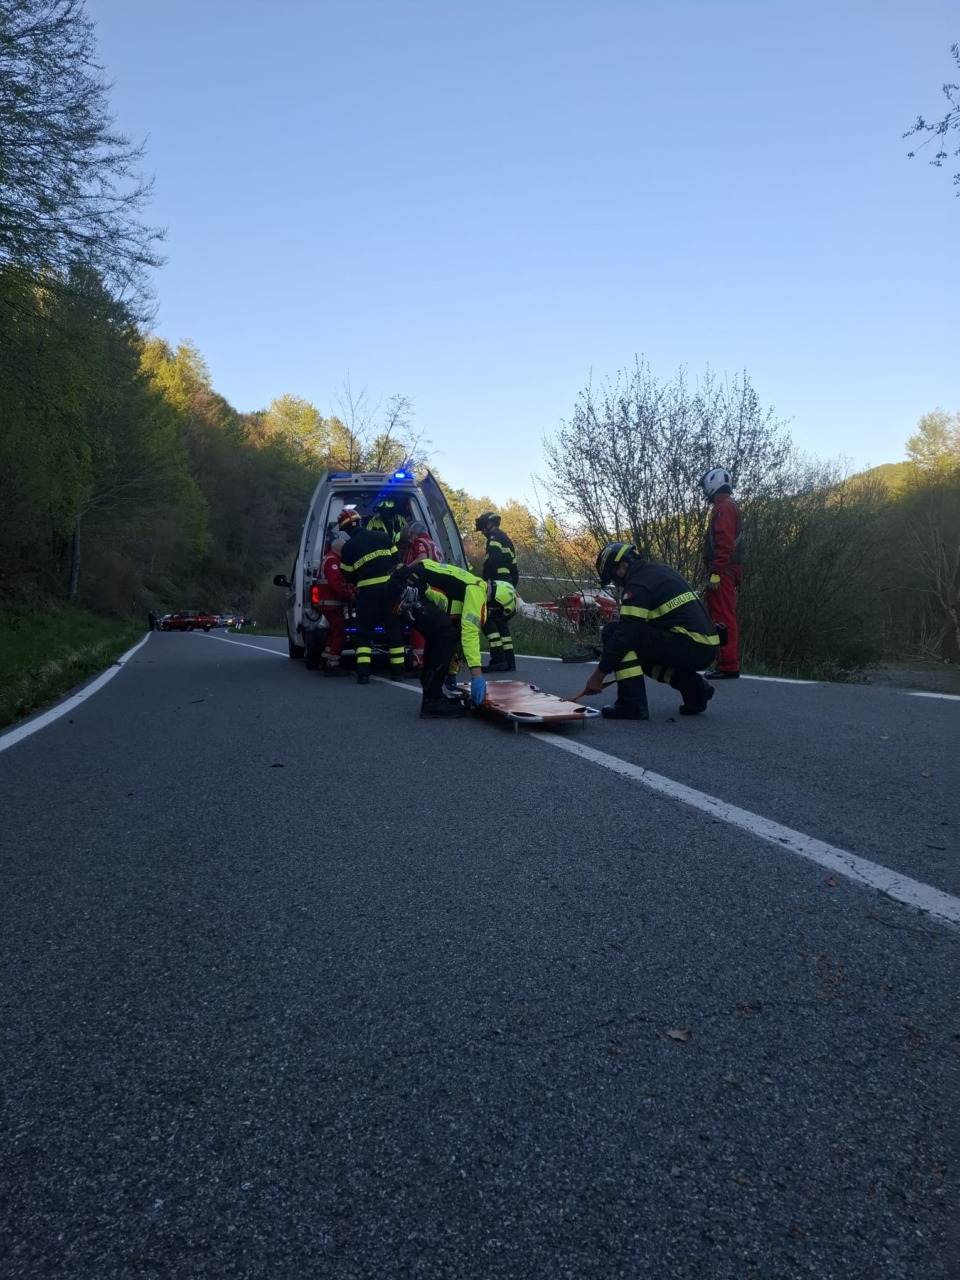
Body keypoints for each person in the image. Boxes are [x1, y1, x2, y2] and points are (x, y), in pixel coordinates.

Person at [583, 543, 720, 719]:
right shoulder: (659, 571)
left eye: (613, 577)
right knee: (640, 656)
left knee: (613, 632)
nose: (616, 584)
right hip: (706, 646)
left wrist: (598, 675)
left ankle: (631, 704)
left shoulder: (637, 585)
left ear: (623, 566)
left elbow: (626, 633)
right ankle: (695, 690)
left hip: (689, 643)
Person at [387, 560, 516, 719]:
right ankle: (432, 701)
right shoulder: (478, 590)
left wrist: (451, 671)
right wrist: (476, 675)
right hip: (408, 587)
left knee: (442, 634)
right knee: (443, 634)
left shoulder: (467, 590)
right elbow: (469, 631)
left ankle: (433, 697)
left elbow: (458, 633)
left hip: (406, 584)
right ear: (497, 603)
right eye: (496, 613)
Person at [336, 507, 405, 683]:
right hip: (390, 591)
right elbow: (398, 562)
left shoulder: (348, 547)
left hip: (366, 595)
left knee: (364, 633)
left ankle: (363, 674)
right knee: (393, 630)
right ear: (360, 522)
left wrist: (358, 581)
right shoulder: (382, 536)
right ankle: (398, 672)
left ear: (346, 530)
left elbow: (347, 574)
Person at [700, 466, 743, 679]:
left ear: (712, 484)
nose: (705, 494)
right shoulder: (729, 506)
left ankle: (727, 665)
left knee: (722, 617)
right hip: (726, 570)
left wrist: (716, 572)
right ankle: (724, 662)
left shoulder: (723, 509)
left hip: (723, 571)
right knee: (720, 615)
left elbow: (724, 543)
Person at [474, 510, 519, 672]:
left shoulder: (494, 538)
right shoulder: (506, 539)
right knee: (502, 622)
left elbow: (492, 562)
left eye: (482, 530)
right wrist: (512, 587)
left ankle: (498, 660)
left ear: (488, 525)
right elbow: (514, 569)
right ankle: (509, 662)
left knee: (488, 619)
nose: (483, 533)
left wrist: (486, 582)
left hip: (496, 584)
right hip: (507, 585)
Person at [397, 521, 443, 673]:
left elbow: (422, 558)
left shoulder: (419, 542)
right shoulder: (433, 543)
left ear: (415, 534)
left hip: (422, 585)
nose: (410, 539)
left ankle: (419, 662)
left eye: (411, 536)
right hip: (435, 587)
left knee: (417, 622)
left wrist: (405, 570)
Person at [315, 537, 354, 675]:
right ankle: (332, 665)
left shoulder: (327, 558)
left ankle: (325, 658)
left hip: (328, 604)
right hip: (332, 604)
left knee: (333, 633)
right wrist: (349, 594)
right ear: (339, 548)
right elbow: (335, 583)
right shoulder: (333, 560)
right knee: (339, 634)